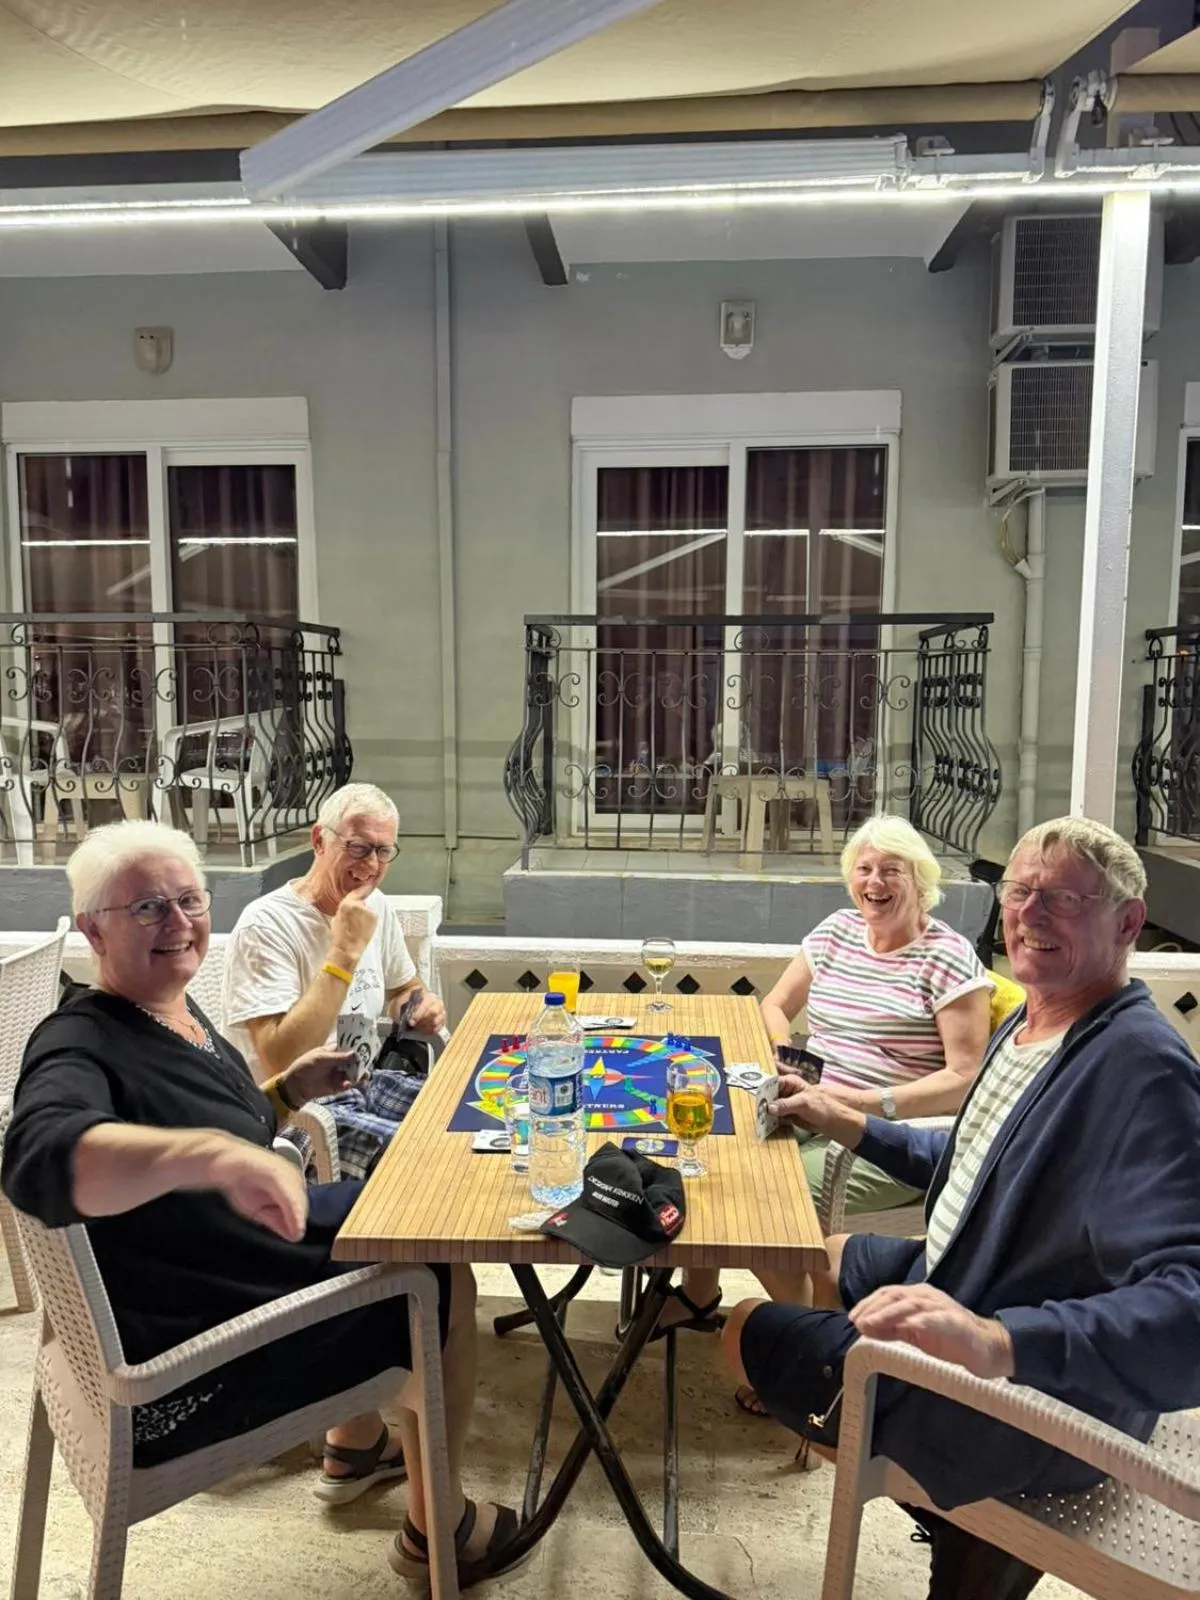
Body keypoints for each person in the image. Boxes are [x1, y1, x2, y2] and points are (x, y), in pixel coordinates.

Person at [1, 820, 521, 1587]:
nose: (178, 923)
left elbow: (208, 1117)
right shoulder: (75, 1042)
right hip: (196, 1344)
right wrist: (214, 1157)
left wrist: (286, 1092)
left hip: (231, 1264)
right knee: (439, 1265)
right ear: (91, 931)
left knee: (411, 1216)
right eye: (147, 909)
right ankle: (435, 1528)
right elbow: (38, 1156)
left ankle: (355, 1446)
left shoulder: (167, 1011)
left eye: (188, 899)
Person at [723, 816, 1200, 1599]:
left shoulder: (1141, 1070)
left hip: (1040, 1394)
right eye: (1020, 891)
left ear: (1128, 923)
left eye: (1064, 899)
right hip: (983, 1268)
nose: (1030, 915)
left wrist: (996, 1340)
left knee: (744, 1331)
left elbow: (1188, 1314)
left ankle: (960, 1500)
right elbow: (984, 1161)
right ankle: (965, 1531)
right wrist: (852, 1123)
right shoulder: (1040, 1022)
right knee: (830, 1255)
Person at [667, 816, 994, 1403]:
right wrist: (781, 1057)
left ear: (920, 880)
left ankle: (798, 1360)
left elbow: (964, 1077)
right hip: (811, 1104)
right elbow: (775, 1005)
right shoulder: (838, 932)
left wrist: (860, 1103)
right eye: (864, 870)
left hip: (888, 1134)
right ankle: (699, 1295)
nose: (875, 883)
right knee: (707, 1155)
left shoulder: (948, 958)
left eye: (891, 870)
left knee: (768, 1204)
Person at [222, 782, 446, 1179]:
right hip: (302, 1110)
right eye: (358, 846)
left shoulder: (373, 905)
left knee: (466, 1119)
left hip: (367, 1079)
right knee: (426, 1160)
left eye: (383, 851)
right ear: (319, 840)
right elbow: (282, 1057)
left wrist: (418, 1006)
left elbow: (402, 987)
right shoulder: (267, 924)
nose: (372, 865)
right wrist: (343, 953)